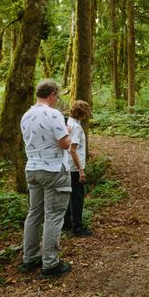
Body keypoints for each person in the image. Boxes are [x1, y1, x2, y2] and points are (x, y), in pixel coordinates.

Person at [18, 80, 72, 278]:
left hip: (32, 168)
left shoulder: (26, 115)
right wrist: (69, 132)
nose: (57, 100)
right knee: (53, 215)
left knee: (34, 214)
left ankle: (30, 257)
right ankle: (50, 263)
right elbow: (65, 144)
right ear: (51, 95)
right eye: (57, 96)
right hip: (53, 170)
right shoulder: (54, 114)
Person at [62, 100, 92, 237]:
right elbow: (72, 150)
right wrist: (81, 170)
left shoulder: (68, 123)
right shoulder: (76, 128)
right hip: (74, 168)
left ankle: (66, 224)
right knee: (77, 197)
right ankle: (77, 227)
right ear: (83, 114)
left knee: (69, 195)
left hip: (67, 166)